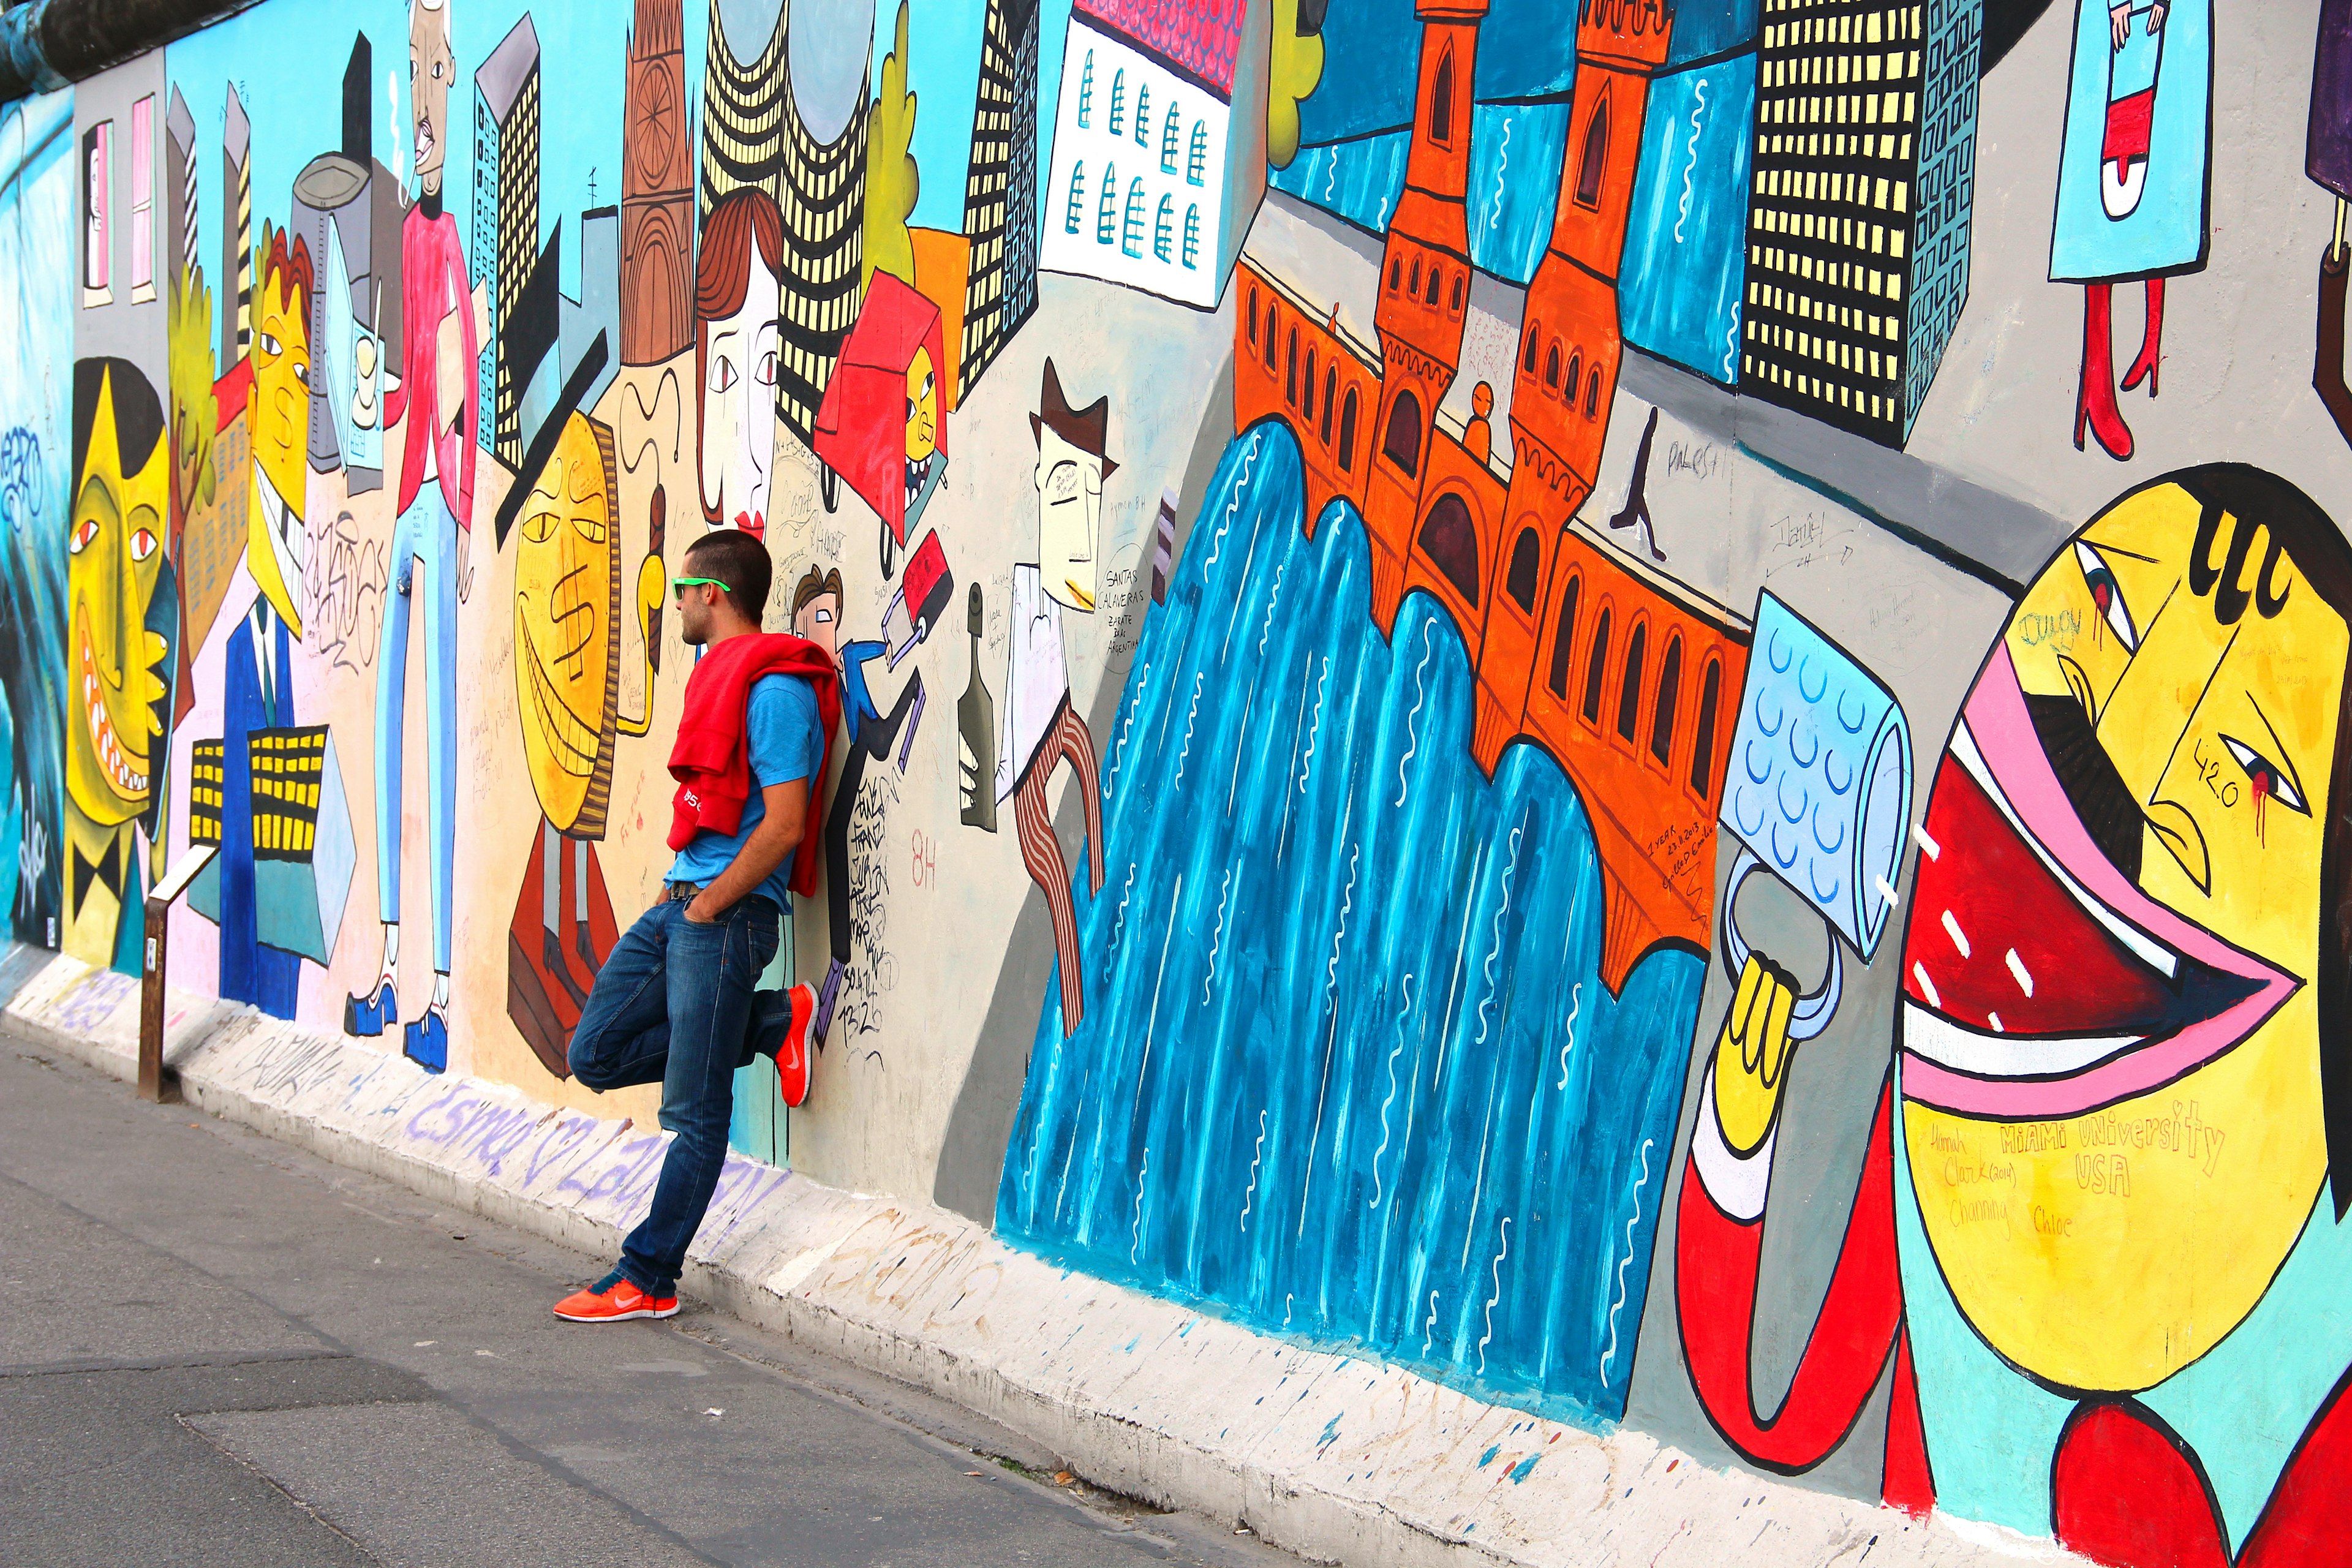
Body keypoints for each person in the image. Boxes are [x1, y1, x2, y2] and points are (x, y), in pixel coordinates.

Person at [553, 529, 839, 1323]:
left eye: (682, 590)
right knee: (595, 1052)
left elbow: (782, 824)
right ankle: (777, 1019)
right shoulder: (719, 678)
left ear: (709, 593)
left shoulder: (772, 690)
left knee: (695, 1109)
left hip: (724, 916)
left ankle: (648, 1275)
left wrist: (712, 904)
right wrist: (686, 899)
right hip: (679, 907)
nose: (674, 603)